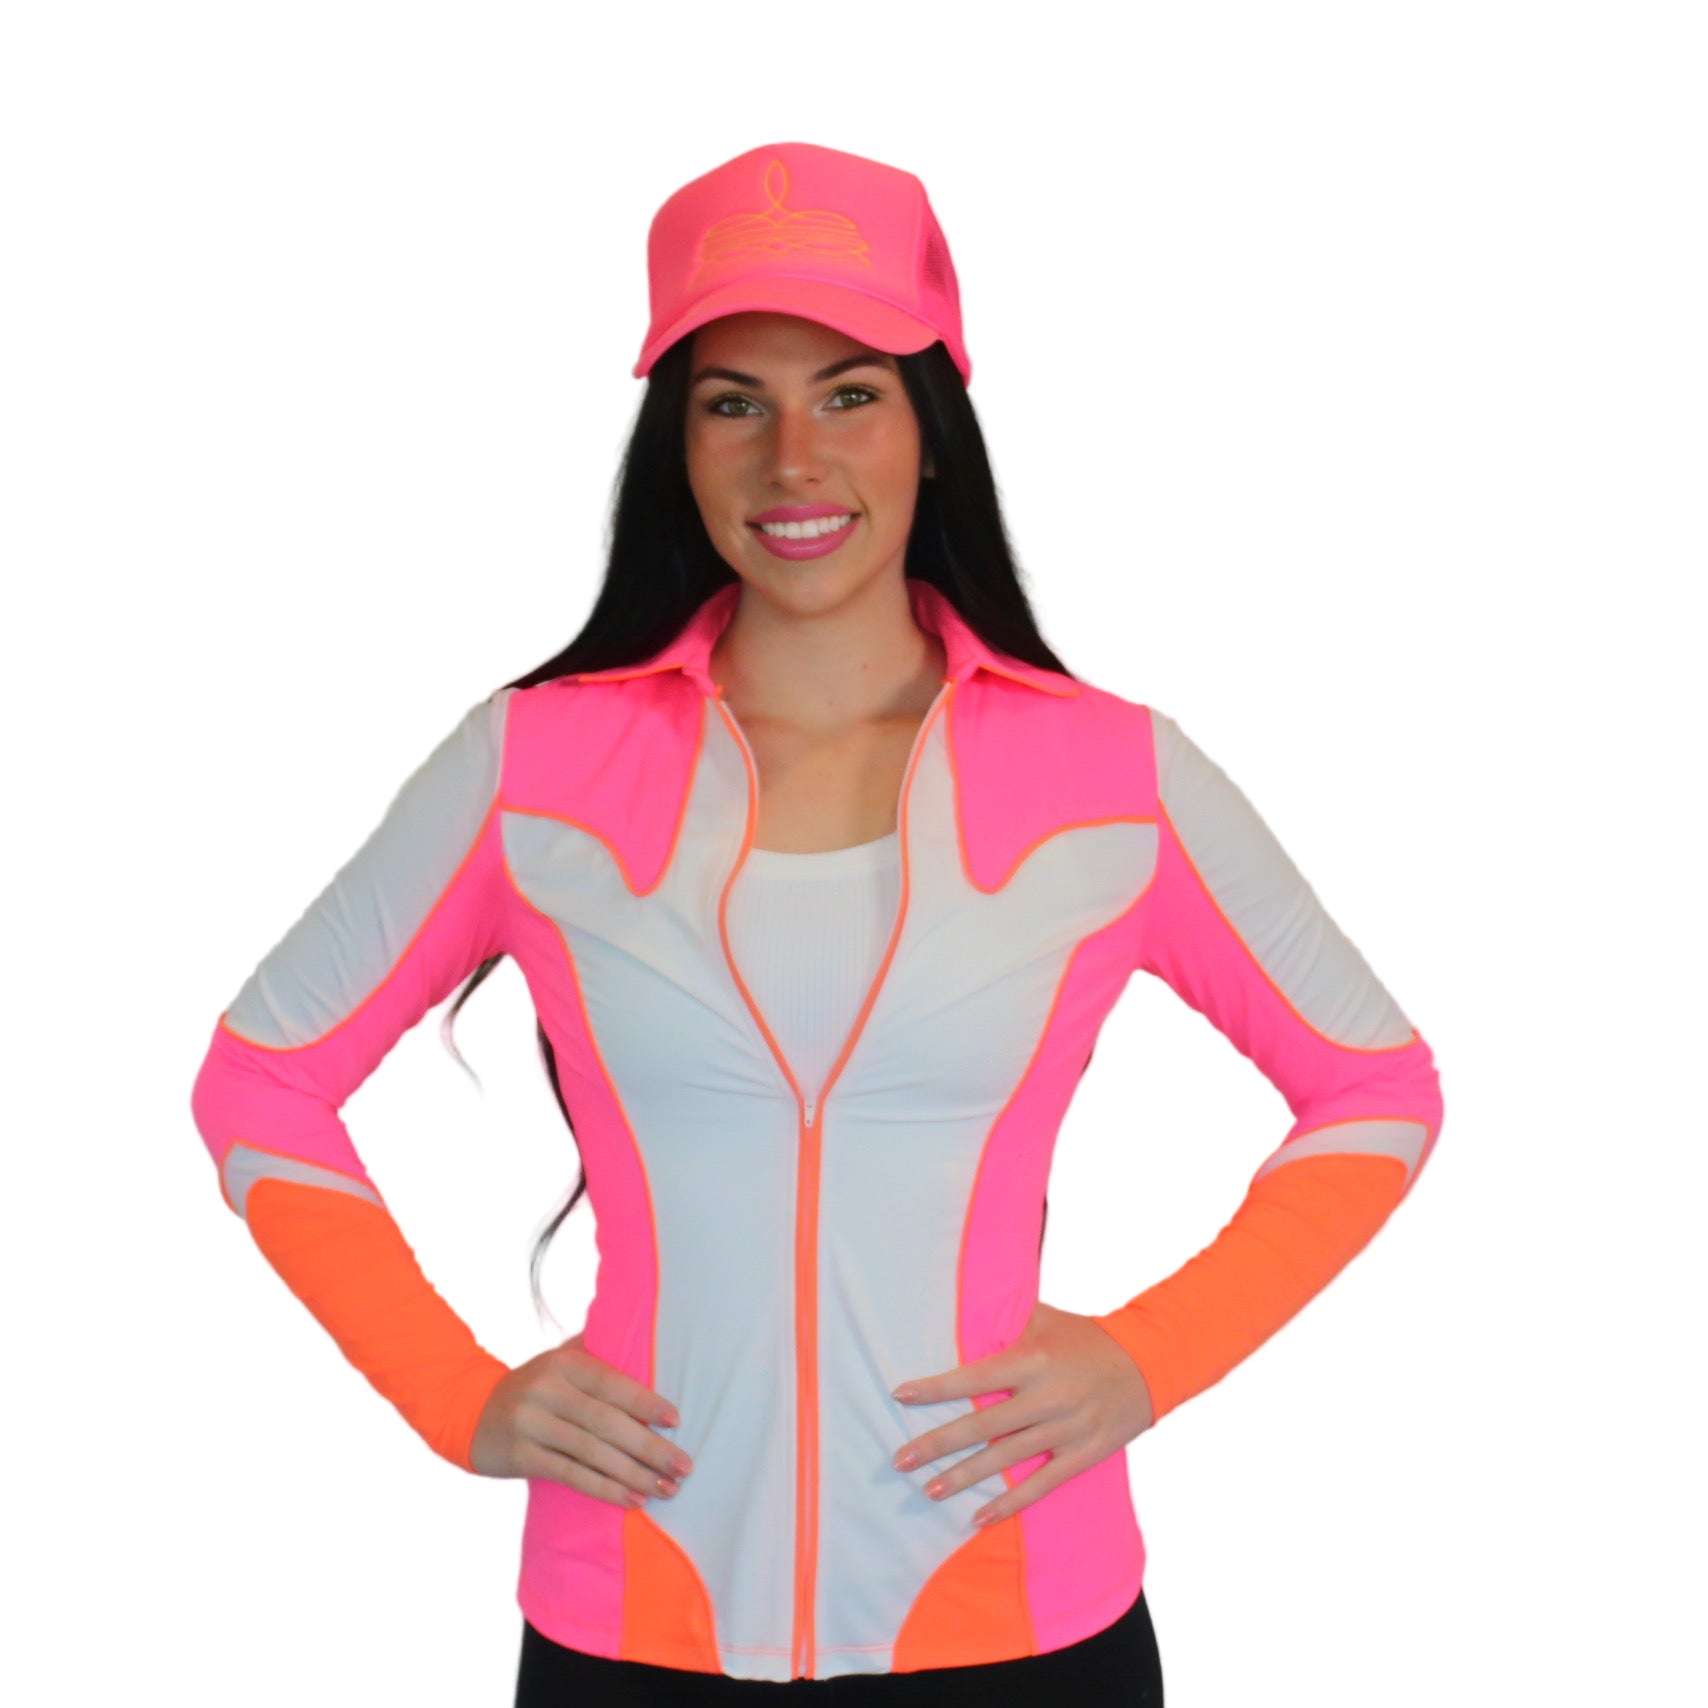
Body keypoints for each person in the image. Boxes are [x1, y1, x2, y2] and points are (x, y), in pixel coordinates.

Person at [189, 140, 1443, 1704]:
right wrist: (453, 1392)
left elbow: (1377, 1088)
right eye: (735, 404)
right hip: (633, 1621)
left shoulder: (1113, 776)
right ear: (679, 445)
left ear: (932, 431)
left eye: (850, 394)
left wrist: (1148, 1359)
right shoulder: (535, 767)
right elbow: (260, 1077)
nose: (794, 459)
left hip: (1021, 1622)